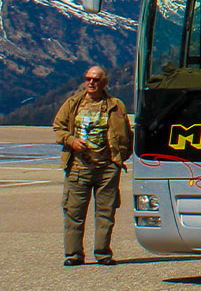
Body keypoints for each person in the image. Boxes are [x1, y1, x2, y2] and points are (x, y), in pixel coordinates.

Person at [53, 65, 134, 266]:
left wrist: (119, 159)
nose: (91, 82)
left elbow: (127, 134)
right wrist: (71, 141)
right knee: (74, 213)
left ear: (104, 82)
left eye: (96, 79)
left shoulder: (115, 106)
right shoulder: (73, 104)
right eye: (88, 78)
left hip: (107, 169)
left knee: (106, 214)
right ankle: (73, 255)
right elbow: (58, 127)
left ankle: (102, 253)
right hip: (78, 169)